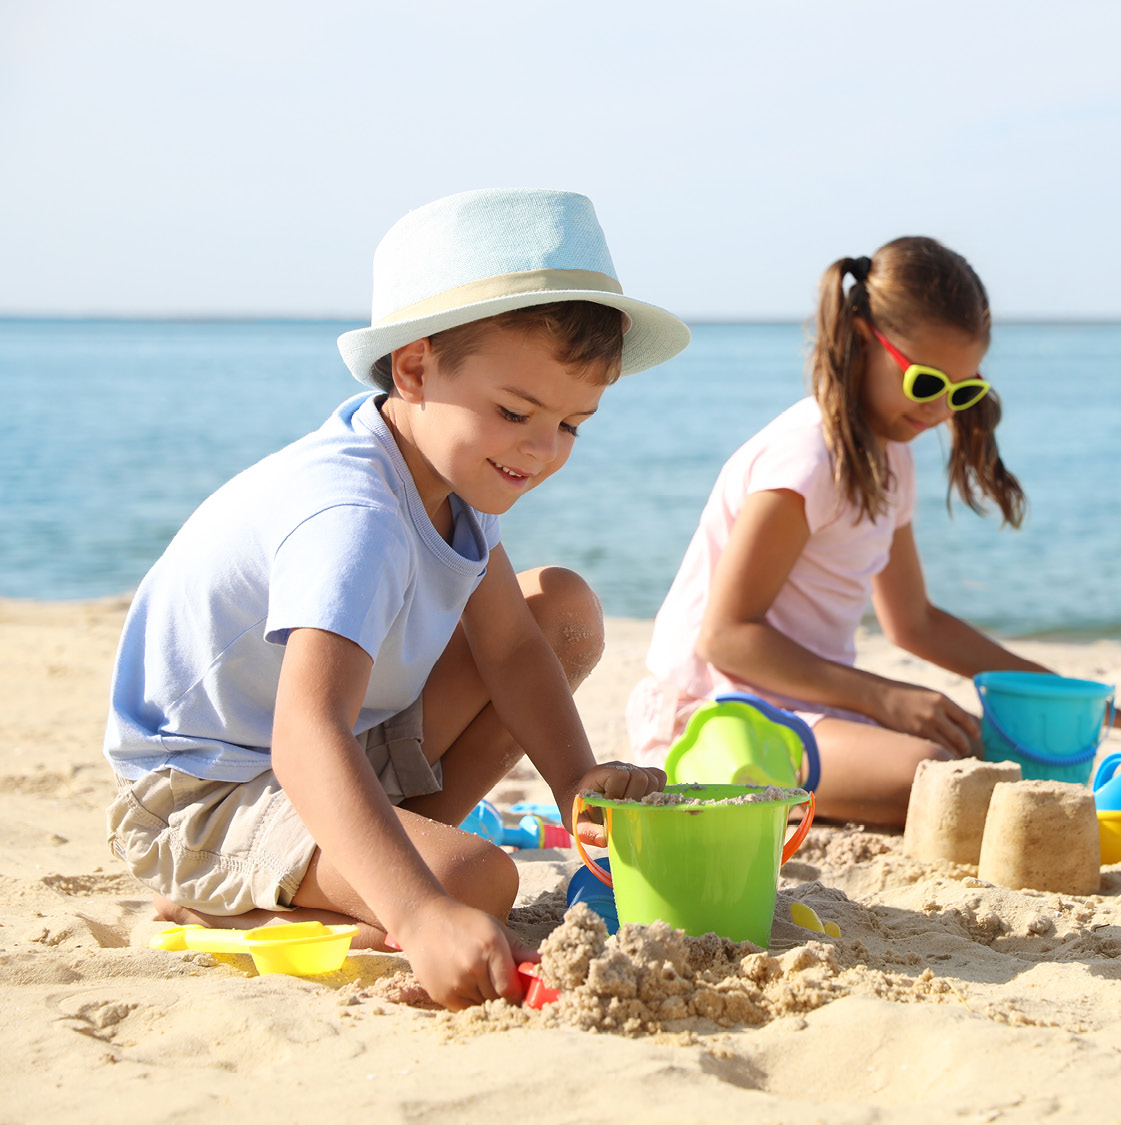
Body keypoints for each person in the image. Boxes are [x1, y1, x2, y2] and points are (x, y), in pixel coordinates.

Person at [103, 189, 685, 1009]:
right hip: (205, 794)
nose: (541, 449)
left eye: (571, 425)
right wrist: (420, 913)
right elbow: (305, 732)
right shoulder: (354, 514)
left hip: (331, 750)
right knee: (475, 881)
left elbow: (513, 648)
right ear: (413, 370)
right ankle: (255, 898)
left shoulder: (453, 476)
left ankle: (369, 869)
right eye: (515, 411)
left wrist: (575, 782)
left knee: (558, 610)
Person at [627, 237, 1121, 826]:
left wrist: (1061, 693)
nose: (939, 410)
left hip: (807, 706)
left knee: (980, 752)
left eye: (962, 391)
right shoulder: (806, 459)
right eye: (925, 384)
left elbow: (914, 621)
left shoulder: (890, 458)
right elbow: (725, 638)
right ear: (861, 338)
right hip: (717, 714)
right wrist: (886, 698)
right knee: (934, 771)